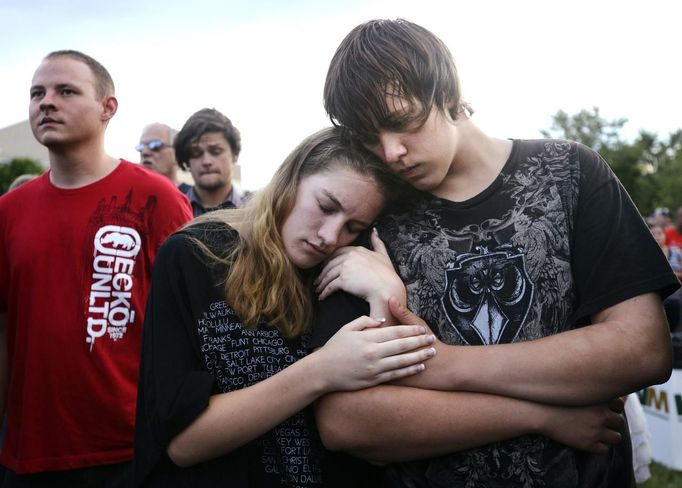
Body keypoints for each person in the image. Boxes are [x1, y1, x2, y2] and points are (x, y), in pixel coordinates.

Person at [311, 19, 678, 487]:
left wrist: (442, 364)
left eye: (403, 121)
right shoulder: (368, 217)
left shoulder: (570, 174)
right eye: (368, 137)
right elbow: (347, 421)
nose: (389, 152)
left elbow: (642, 349)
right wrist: (537, 413)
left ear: (448, 93)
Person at [133, 127, 441, 487]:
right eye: (326, 206)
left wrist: (386, 290)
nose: (330, 237)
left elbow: (375, 429)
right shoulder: (194, 256)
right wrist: (321, 370)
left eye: (352, 226)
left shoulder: (346, 267)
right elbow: (183, 443)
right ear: (291, 178)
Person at [0, 50, 192, 487]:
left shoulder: (156, 200)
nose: (46, 102)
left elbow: (191, 322)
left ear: (108, 108)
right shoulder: (8, 212)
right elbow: (3, 329)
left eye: (66, 91)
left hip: (132, 451)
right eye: (36, 93)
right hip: (29, 456)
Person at [174, 108, 246, 217]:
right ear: (187, 161)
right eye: (196, 153)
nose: (206, 161)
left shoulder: (258, 213)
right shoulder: (172, 209)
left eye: (216, 151)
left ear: (235, 154)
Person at [136, 122, 191, 193]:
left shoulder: (193, 199)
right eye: (141, 147)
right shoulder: (131, 195)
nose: (145, 152)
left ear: (176, 154)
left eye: (155, 146)